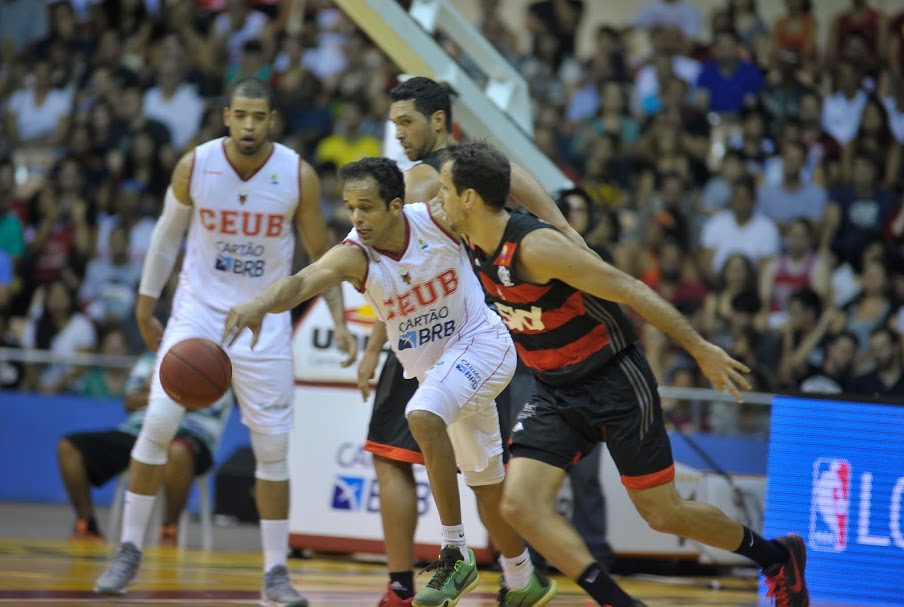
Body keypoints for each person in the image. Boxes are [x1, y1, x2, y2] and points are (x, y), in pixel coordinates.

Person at [439, 140, 810, 607]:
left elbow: (631, 289)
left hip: (613, 377)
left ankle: (777, 557)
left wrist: (698, 347)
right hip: (554, 388)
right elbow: (505, 169)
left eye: (445, 190)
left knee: (663, 512)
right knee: (519, 505)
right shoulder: (466, 228)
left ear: (469, 198)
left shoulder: (537, 249)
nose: (439, 200)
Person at [223, 157, 558, 607]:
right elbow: (303, 281)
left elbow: (501, 185)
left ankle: (455, 553)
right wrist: (260, 305)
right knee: (486, 482)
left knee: (421, 412)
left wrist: (556, 226)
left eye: (366, 207)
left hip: (484, 344)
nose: (356, 218)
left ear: (396, 206)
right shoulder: (353, 255)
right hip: (441, 371)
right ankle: (523, 579)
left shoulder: (437, 219)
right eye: (350, 208)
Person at [93, 77, 357, 607]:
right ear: (226, 118)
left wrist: (342, 319)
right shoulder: (196, 165)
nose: (250, 126)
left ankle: (276, 572)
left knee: (273, 450)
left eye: (260, 117)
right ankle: (127, 550)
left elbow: (322, 258)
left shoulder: (296, 175)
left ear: (272, 120)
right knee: (158, 424)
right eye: (241, 116)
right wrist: (146, 305)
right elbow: (167, 236)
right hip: (197, 313)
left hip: (265, 319)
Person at [363, 76, 579, 607]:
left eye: (406, 122)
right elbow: (524, 181)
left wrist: (375, 345)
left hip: (442, 333)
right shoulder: (481, 169)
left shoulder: (422, 183)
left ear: (438, 120)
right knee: (485, 472)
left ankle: (406, 581)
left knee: (391, 457)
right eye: (394, 124)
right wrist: (571, 237)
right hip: (485, 334)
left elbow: (398, 275)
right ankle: (519, 575)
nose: (399, 133)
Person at [59, 351, 233, 544]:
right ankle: (87, 525)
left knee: (177, 451)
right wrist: (178, 390)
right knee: (69, 447)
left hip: (191, 435)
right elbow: (130, 401)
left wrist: (156, 388)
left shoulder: (218, 365)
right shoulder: (150, 359)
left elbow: (199, 401)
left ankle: (169, 529)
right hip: (138, 432)